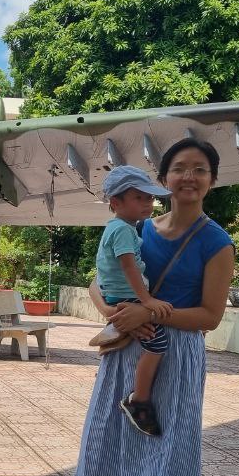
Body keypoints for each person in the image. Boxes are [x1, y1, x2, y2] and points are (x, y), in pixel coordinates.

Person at [75, 138, 235, 476]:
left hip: (176, 357)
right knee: (137, 452)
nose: (189, 176)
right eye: (180, 168)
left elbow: (210, 317)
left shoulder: (216, 242)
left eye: (200, 169)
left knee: (176, 456)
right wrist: (114, 312)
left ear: (212, 180)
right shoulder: (137, 227)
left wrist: (148, 314)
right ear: (163, 179)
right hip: (131, 348)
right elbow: (97, 280)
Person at [91, 166, 175, 436]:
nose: (148, 203)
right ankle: (139, 399)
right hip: (128, 296)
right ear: (116, 203)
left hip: (118, 295)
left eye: (150, 198)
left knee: (145, 339)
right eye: (139, 198)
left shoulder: (118, 227)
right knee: (157, 345)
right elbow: (128, 266)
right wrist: (147, 300)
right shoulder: (124, 231)